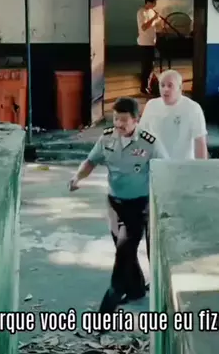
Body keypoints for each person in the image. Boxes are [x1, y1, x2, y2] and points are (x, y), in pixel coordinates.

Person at [68, 97, 168, 318]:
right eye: (115, 119)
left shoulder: (149, 143)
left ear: (136, 120)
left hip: (139, 206)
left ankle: (105, 311)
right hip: (114, 204)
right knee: (125, 251)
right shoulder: (107, 138)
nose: (119, 124)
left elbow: (165, 170)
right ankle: (136, 290)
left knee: (123, 255)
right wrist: (77, 177)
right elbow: (91, 161)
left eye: (124, 120)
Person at [139, 69, 209, 160]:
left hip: (183, 164)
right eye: (162, 85)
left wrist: (201, 167)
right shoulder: (151, 105)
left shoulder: (193, 108)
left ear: (180, 87)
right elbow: (141, 135)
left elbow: (200, 142)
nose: (165, 89)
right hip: (157, 163)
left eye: (170, 85)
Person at [137, 0, 161, 95]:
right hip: (144, 43)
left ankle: (148, 86)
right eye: (154, 2)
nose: (155, 5)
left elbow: (155, 24)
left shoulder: (152, 11)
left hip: (152, 42)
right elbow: (144, 27)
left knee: (151, 66)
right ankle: (143, 88)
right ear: (148, 2)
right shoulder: (141, 12)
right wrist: (154, 18)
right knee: (146, 67)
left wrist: (159, 22)